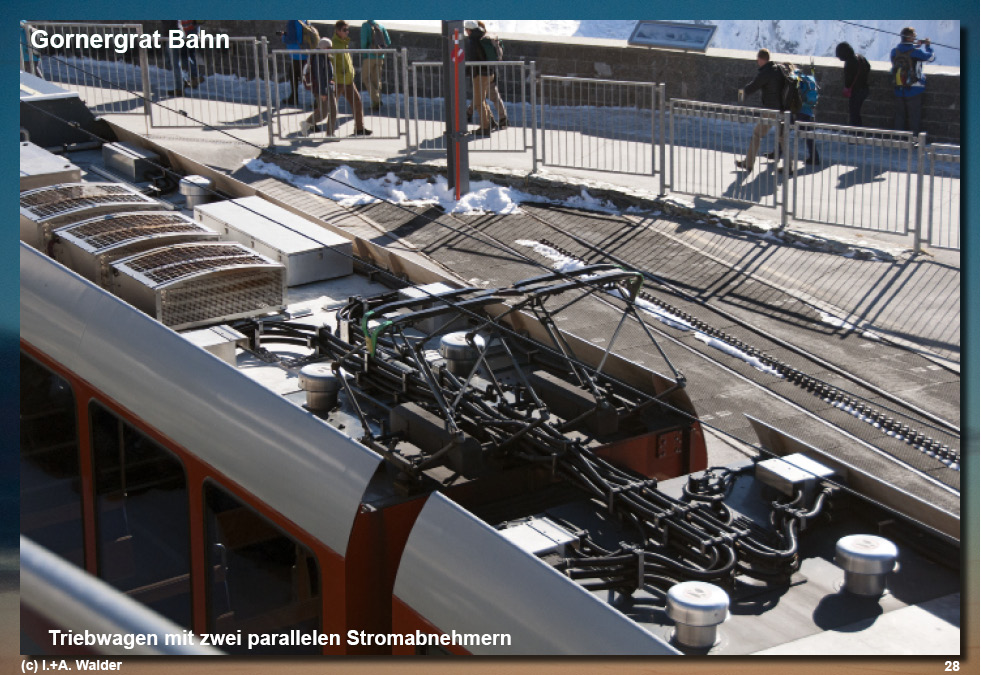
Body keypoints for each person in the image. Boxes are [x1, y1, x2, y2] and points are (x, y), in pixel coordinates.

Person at [735, 48, 787, 172]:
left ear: (760, 59)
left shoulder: (766, 72)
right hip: (782, 109)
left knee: (757, 134)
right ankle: (788, 166)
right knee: (782, 138)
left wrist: (740, 94)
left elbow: (753, 86)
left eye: (758, 59)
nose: (757, 61)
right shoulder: (777, 69)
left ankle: (748, 163)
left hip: (771, 110)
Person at [890, 26, 934, 135]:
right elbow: (931, 58)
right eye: (913, 37)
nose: (915, 38)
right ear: (910, 38)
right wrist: (928, 46)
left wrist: (916, 45)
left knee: (899, 117)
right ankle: (914, 141)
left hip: (899, 88)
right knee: (914, 117)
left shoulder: (894, 52)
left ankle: (899, 141)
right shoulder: (916, 52)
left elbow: (906, 52)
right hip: (915, 89)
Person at [332, 21, 372, 136]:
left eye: (347, 29)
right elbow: (330, 62)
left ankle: (359, 128)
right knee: (329, 107)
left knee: (357, 102)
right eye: (344, 30)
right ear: (337, 30)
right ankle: (310, 123)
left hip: (348, 80)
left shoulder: (343, 42)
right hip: (338, 80)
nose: (347, 32)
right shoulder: (334, 44)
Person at [464, 20, 495, 137]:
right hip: (489, 72)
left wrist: (469, 71)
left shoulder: (473, 40)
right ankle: (490, 122)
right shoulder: (483, 35)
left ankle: (485, 127)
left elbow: (473, 58)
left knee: (478, 101)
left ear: (469, 30)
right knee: (481, 99)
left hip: (480, 74)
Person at [300, 39, 337, 137]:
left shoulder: (324, 56)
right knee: (323, 113)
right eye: (328, 47)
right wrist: (322, 92)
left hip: (328, 87)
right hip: (321, 89)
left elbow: (326, 74)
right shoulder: (318, 58)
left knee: (333, 111)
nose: (330, 50)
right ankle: (307, 123)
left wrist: (330, 81)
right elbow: (319, 76)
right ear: (323, 47)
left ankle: (330, 133)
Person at [835, 42, 871, 127]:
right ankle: (857, 132)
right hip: (865, 88)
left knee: (854, 114)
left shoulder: (849, 62)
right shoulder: (860, 57)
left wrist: (847, 87)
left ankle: (855, 134)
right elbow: (868, 67)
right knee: (857, 112)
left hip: (856, 91)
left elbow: (848, 80)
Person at [281, 20, 315, 107]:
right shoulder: (305, 20)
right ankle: (294, 97)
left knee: (302, 77)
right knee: (304, 77)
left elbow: (291, 38)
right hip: (305, 52)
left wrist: (283, 36)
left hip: (296, 53)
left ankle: (318, 100)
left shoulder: (292, 21)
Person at [792, 65, 820, 165]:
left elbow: (794, 93)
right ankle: (814, 157)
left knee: (785, 131)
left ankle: (779, 154)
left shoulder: (798, 79)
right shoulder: (810, 80)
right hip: (808, 111)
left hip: (800, 110)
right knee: (808, 135)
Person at [360, 20, 391, 111]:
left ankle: (376, 100)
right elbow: (388, 41)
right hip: (380, 56)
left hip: (370, 55)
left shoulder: (365, 26)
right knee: (376, 79)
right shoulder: (380, 26)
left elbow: (363, 42)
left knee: (365, 78)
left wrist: (365, 54)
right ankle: (376, 101)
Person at [165, 20, 202, 96]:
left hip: (177, 33)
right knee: (184, 56)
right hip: (187, 31)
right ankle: (192, 78)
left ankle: (182, 86)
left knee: (175, 61)